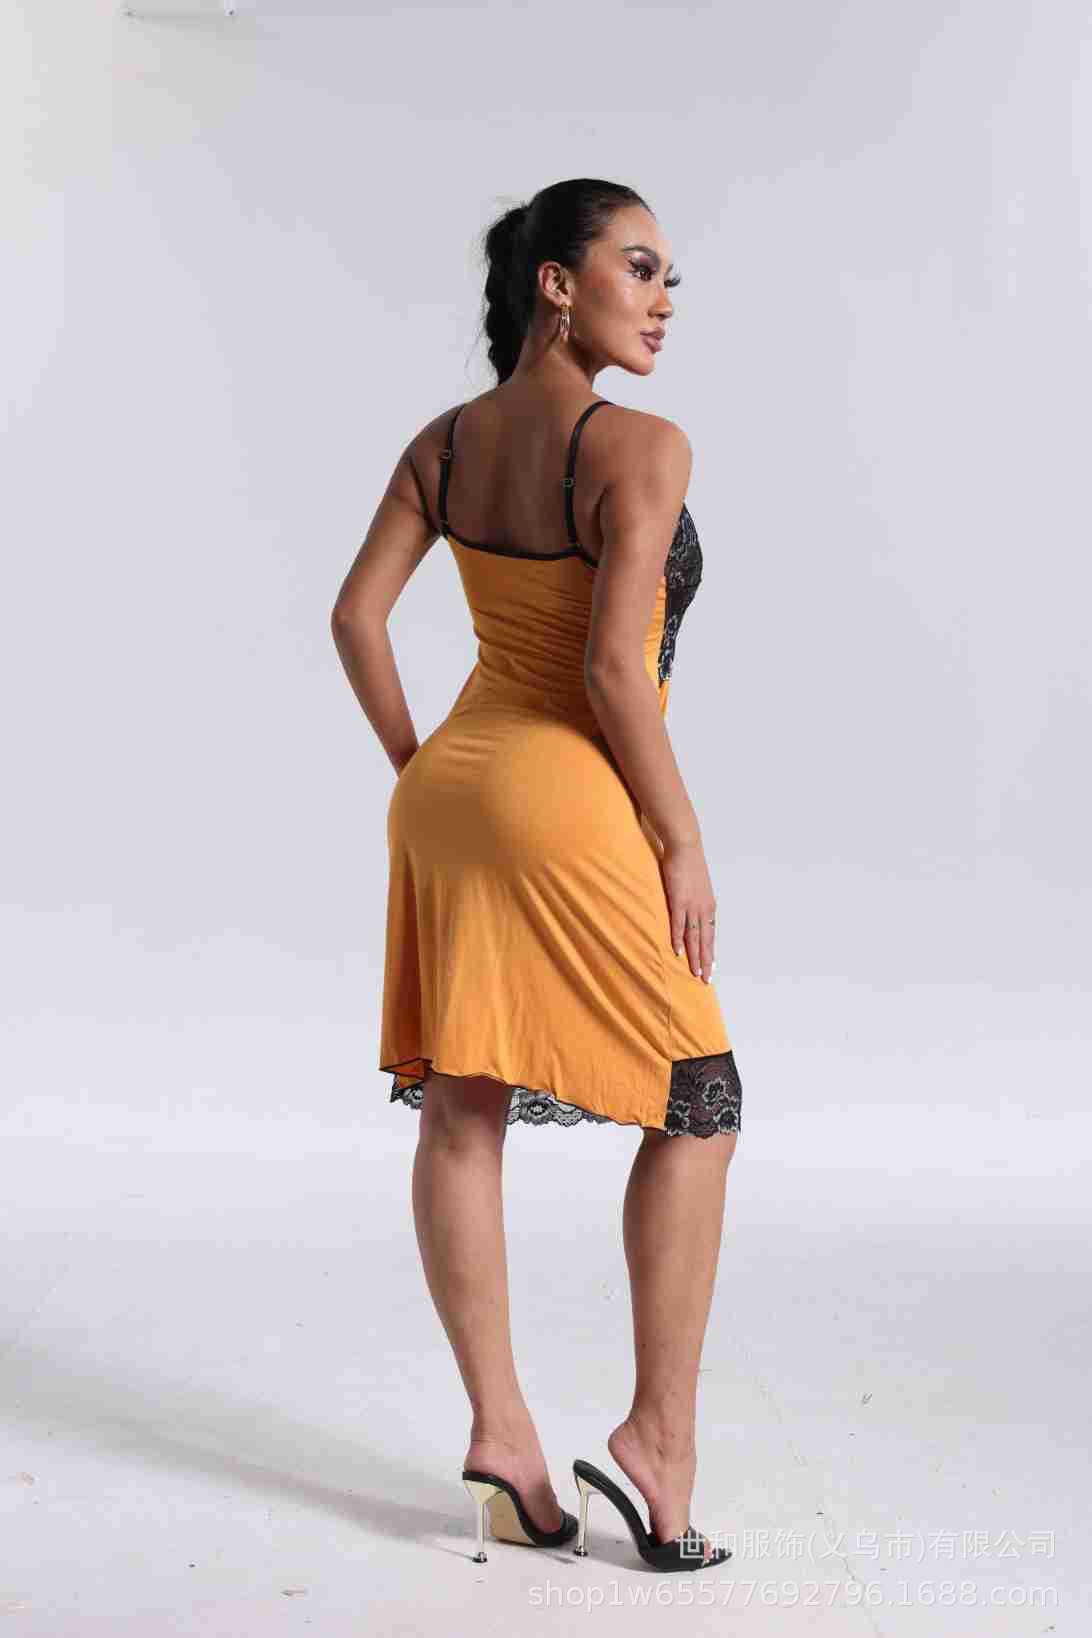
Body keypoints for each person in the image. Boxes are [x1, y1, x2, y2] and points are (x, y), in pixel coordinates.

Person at [331, 178, 742, 1572]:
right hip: (566, 792)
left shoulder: (444, 443)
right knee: (698, 1095)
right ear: (558, 285)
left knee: (465, 1098)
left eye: (670, 278)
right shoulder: (639, 446)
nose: (664, 300)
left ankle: (502, 1435)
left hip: (450, 782)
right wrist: (680, 839)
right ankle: (658, 1443)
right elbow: (614, 670)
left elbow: (358, 616)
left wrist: (422, 770)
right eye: (641, 267)